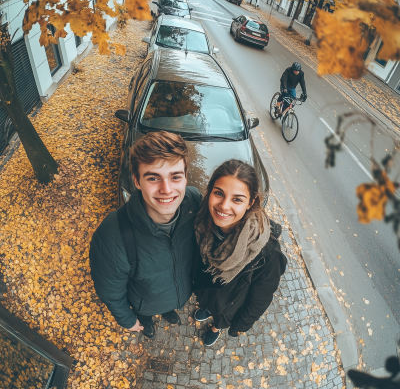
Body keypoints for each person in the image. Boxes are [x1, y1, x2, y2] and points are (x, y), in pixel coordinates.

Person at [89, 131, 201, 339]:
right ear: (137, 181)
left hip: (179, 293)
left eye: (175, 176)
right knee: (145, 316)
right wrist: (129, 320)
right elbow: (110, 291)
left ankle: (169, 309)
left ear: (185, 178)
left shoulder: (194, 203)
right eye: (153, 178)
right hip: (143, 303)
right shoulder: (112, 235)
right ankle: (147, 322)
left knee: (168, 306)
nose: (166, 189)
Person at [192, 159, 287, 346]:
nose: (224, 206)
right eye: (219, 193)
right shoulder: (200, 222)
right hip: (207, 290)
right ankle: (207, 308)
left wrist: (239, 325)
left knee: (219, 316)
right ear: (210, 192)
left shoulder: (268, 252)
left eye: (237, 199)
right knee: (207, 304)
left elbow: (260, 299)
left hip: (227, 305)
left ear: (251, 202)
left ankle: (215, 327)